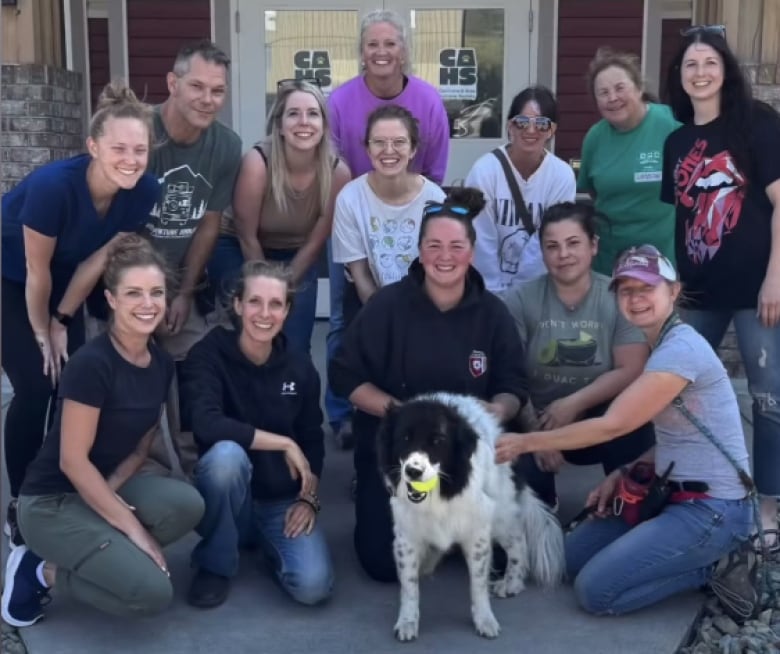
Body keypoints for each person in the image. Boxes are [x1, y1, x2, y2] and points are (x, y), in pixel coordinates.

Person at [496, 245, 753, 615]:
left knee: (596, 592)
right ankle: (664, 549)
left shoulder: (681, 350)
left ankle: (711, 566)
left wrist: (525, 441)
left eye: (646, 288)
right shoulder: (659, 344)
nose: (635, 299)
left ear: (673, 291)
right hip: (666, 493)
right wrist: (624, 472)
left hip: (713, 509)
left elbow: (612, 425)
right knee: (568, 562)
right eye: (626, 290)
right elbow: (677, 438)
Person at [1, 236, 205, 627]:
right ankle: (40, 571)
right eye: (134, 293)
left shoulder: (161, 364)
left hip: (101, 485)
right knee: (151, 594)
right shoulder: (92, 364)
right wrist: (132, 530)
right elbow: (72, 462)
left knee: (187, 505)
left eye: (156, 293)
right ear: (111, 299)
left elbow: (139, 450)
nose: (148, 304)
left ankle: (104, 550)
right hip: (50, 502)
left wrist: (107, 498)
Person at [329, 187, 528, 582]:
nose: (445, 256)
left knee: (501, 560)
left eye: (456, 245)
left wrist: (500, 409)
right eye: (434, 245)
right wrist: (398, 413)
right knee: (383, 566)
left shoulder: (493, 314)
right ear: (419, 251)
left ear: (472, 252)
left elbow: (513, 385)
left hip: (467, 457)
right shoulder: (386, 306)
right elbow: (344, 375)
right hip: (398, 454)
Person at [1, 81, 160, 548]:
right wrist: (41, 331)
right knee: (38, 381)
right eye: (118, 148)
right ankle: (23, 504)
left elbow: (96, 261)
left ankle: (70, 478)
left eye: (140, 149)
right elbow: (36, 272)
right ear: (93, 146)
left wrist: (63, 320)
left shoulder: (144, 189)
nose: (130, 158)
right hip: (14, 276)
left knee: (74, 379)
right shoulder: (54, 187)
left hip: (69, 271)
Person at [662, 26, 780, 541]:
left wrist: (776, 277)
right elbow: (684, 220)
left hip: (759, 291)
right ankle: (698, 487)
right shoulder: (678, 140)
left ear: (725, 70)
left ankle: (771, 505)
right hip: (697, 292)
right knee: (676, 391)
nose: (701, 72)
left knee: (769, 397)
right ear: (679, 77)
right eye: (691, 65)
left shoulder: (758, 122)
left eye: (709, 62)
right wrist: (673, 290)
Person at [325, 8, 450, 447]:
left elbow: (435, 170)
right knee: (345, 321)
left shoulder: (428, 100)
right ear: (361, 52)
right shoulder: (340, 102)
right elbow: (333, 167)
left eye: (390, 43)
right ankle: (344, 411)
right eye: (372, 44)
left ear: (404, 51)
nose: (381, 52)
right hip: (357, 217)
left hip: (411, 215)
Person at [180, 260, 333, 609]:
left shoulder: (300, 366)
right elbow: (206, 423)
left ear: (288, 311)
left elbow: (312, 439)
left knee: (313, 587)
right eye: (254, 302)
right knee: (226, 458)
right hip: (228, 494)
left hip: (279, 500)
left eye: (275, 304)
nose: (264, 314)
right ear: (237, 305)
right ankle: (215, 563)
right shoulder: (208, 354)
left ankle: (263, 542)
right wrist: (282, 442)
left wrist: (309, 497)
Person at [502, 202, 654, 508]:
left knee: (635, 420)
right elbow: (509, 374)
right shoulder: (519, 299)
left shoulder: (617, 296)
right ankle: (538, 504)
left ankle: (628, 502)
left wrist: (573, 404)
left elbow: (631, 367)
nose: (563, 255)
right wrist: (536, 434)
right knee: (502, 432)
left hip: (596, 418)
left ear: (593, 245)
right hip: (537, 418)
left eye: (573, 243)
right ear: (542, 252)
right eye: (552, 246)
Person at [140, 39, 242, 479]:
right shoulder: (138, 133)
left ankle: (204, 484)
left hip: (178, 281)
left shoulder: (225, 145)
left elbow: (209, 223)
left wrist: (183, 294)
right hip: (122, 281)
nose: (207, 99)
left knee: (196, 366)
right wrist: (151, 297)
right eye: (196, 86)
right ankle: (144, 481)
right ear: (172, 83)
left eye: (217, 90)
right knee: (127, 382)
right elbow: (118, 228)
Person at [208, 79, 350, 353]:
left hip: (297, 253)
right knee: (254, 331)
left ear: (324, 124)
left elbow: (316, 242)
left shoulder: (338, 173)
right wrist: (265, 290)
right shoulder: (257, 162)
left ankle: (291, 393)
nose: (304, 122)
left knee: (294, 342)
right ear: (280, 125)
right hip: (238, 245)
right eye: (293, 114)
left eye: (313, 114)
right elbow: (246, 234)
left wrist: (284, 289)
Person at [332, 104, 445, 325]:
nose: (389, 150)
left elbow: (439, 271)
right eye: (379, 142)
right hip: (368, 304)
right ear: (367, 149)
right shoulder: (350, 198)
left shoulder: (435, 200)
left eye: (399, 142)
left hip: (424, 305)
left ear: (413, 149)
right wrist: (388, 320)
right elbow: (361, 276)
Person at [577, 48, 679, 275]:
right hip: (609, 260)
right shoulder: (595, 137)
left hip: (663, 261)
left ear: (639, 88)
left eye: (620, 88)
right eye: (603, 92)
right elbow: (593, 191)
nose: (612, 98)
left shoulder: (670, 124)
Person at [466, 86, 576, 292]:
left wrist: (521, 295)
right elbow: (481, 239)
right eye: (522, 122)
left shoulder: (562, 175)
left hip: (537, 290)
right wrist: (492, 294)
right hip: (485, 290)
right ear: (510, 126)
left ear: (552, 130)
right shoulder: (485, 171)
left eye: (542, 124)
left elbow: (549, 237)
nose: (531, 130)